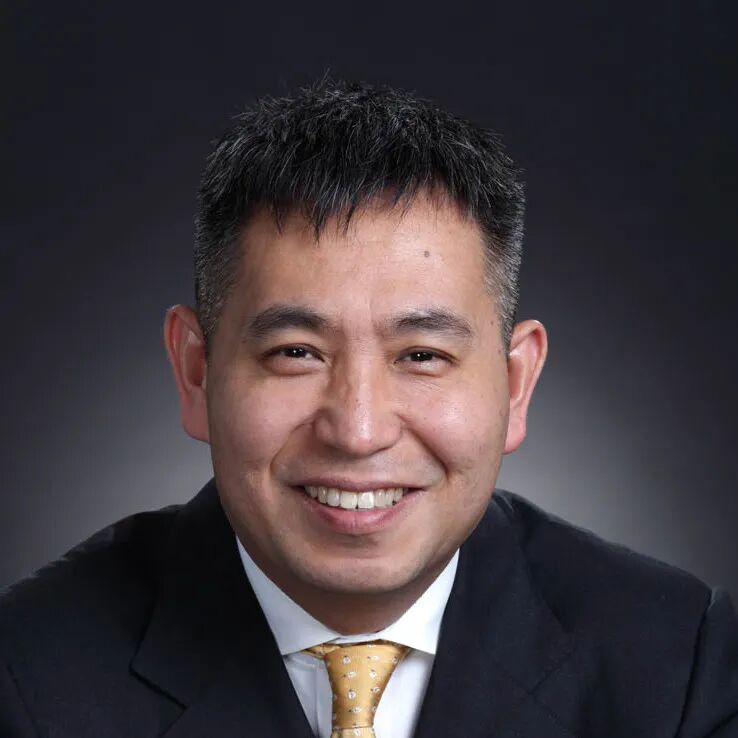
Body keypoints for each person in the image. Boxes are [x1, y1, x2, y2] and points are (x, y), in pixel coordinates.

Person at [1, 79, 737, 738]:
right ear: (196, 372)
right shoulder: (28, 678)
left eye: (422, 356)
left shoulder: (679, 669)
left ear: (516, 384)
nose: (358, 431)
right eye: (296, 352)